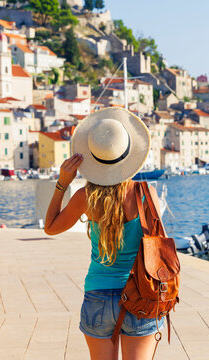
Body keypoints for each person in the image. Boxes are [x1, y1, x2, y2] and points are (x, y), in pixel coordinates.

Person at [44, 108, 165, 360]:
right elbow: (155, 248)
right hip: (140, 295)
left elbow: (50, 227)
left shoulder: (85, 198)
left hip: (98, 295)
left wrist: (62, 183)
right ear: (129, 155)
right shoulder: (147, 195)